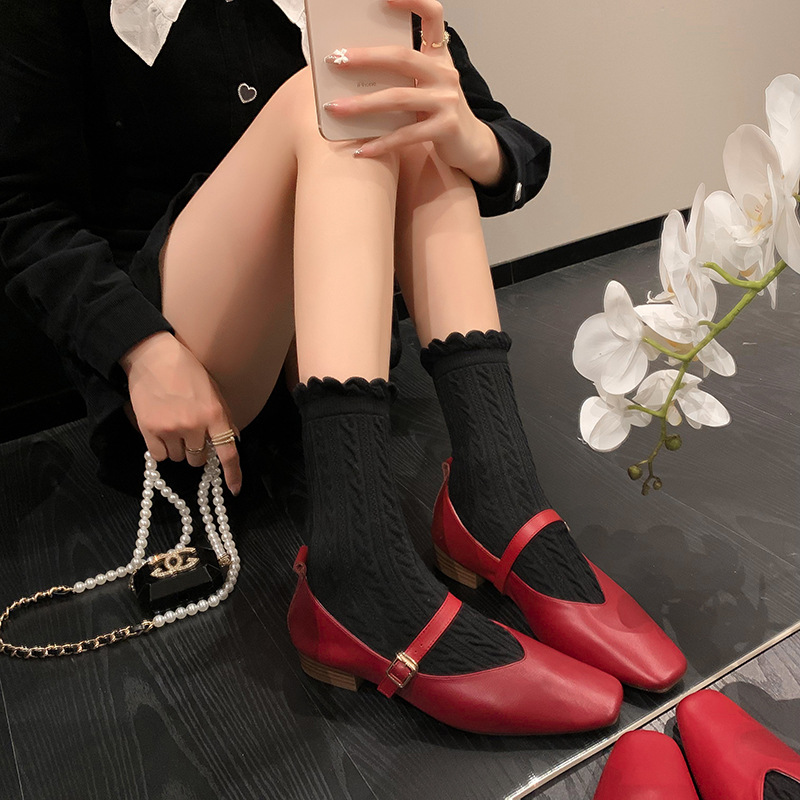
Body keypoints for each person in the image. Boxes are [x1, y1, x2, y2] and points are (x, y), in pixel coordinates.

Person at [0, 0, 684, 734]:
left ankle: (498, 495)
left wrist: (468, 137)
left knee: (412, 99)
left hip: (334, 366)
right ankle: (358, 570)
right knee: (331, 99)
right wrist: (141, 348)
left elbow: (501, 140)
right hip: (188, 367)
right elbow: (19, 208)